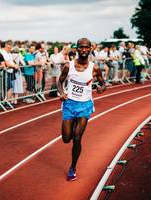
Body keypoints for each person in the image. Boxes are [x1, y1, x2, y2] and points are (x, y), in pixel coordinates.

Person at [57, 38, 106, 181]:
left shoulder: (94, 68)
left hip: (85, 105)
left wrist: (100, 89)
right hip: (70, 104)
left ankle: (73, 167)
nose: (84, 50)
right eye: (81, 47)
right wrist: (61, 93)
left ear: (90, 49)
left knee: (77, 138)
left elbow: (103, 84)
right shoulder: (69, 66)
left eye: (86, 47)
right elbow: (60, 83)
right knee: (67, 139)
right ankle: (73, 128)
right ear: (76, 49)